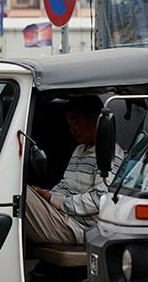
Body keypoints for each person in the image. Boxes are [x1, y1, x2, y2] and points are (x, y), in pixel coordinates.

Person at [24, 95, 123, 245]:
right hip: (61, 214)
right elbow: (66, 184)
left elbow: (101, 199)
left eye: (76, 123)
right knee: (25, 191)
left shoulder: (110, 154)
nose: (73, 130)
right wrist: (47, 195)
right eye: (70, 125)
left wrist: (55, 200)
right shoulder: (79, 150)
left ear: (96, 120)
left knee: (16, 193)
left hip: (78, 226)